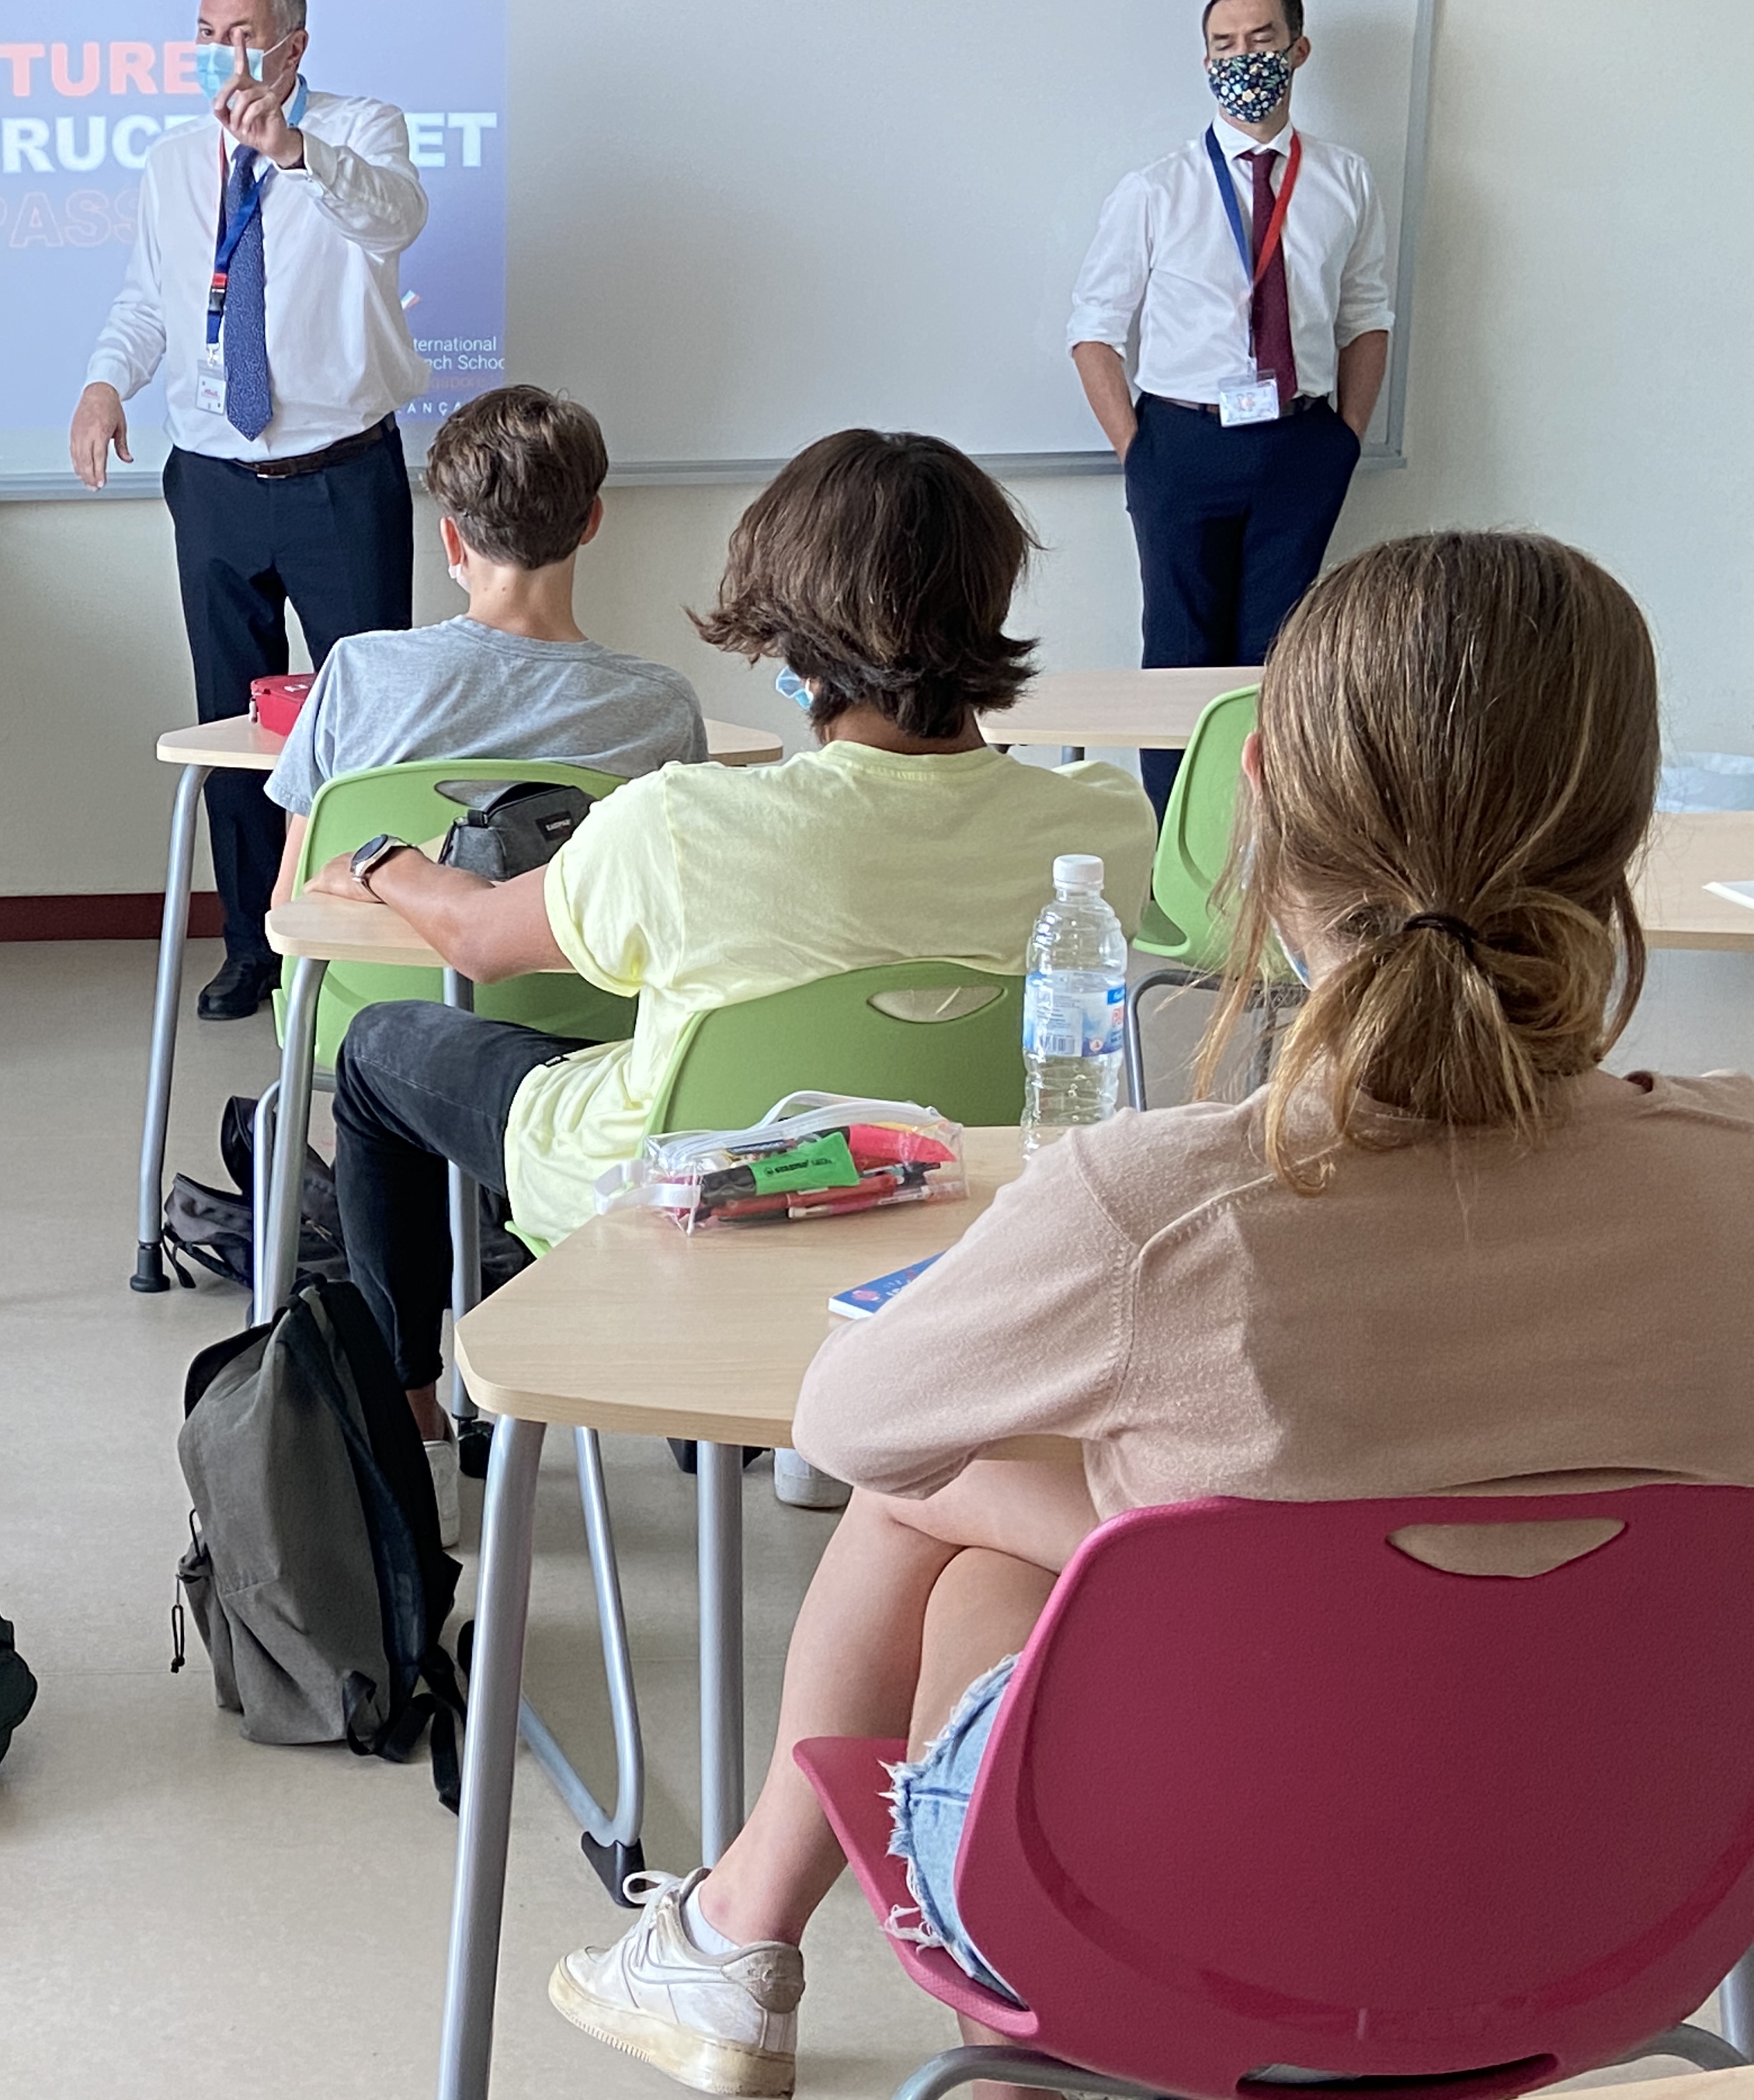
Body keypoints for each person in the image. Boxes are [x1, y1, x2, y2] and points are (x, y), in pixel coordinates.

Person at [547, 529, 1754, 2100]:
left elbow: (854, 1430)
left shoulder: (1155, 1206)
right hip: (1626, 1911)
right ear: (1623, 841)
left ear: (1261, 816)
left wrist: (1096, 1501)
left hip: (1154, 1924)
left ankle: (796, 1972)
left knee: (953, 1517)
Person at [308, 432, 1155, 1480]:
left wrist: (386, 859)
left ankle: (410, 1430)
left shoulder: (682, 825)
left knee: (383, 1047)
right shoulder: (1107, 828)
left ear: (790, 633)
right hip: (948, 1201)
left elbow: (481, 939)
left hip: (677, 1195)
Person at [74, 0, 430, 1020]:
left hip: (341, 478)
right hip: (216, 480)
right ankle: (251, 947)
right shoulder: (177, 159)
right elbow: (151, 300)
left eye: (240, 32)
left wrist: (293, 150)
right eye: (204, 31)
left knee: (367, 725)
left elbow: (393, 220)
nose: (219, 54)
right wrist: (103, 384)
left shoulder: (362, 132)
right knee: (230, 728)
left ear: (293, 45)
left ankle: (370, 942)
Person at [1067, 0, 1392, 813]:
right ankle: (1178, 855)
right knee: (1178, 650)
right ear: (1205, 59)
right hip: (1181, 441)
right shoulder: (1156, 189)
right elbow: (1095, 328)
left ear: (1298, 50)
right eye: (1224, 44)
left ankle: (1266, 850)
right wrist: (1137, 449)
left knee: (1282, 657)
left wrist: (1345, 439)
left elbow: (1367, 317)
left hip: (1300, 444)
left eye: (1260, 40)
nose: (1243, 58)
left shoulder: (1345, 181)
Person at [264, 384, 710, 892]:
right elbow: (678, 901)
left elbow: (289, 901)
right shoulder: (662, 708)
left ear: (452, 539)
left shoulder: (357, 673)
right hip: (575, 974)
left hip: (362, 972)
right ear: (592, 522)